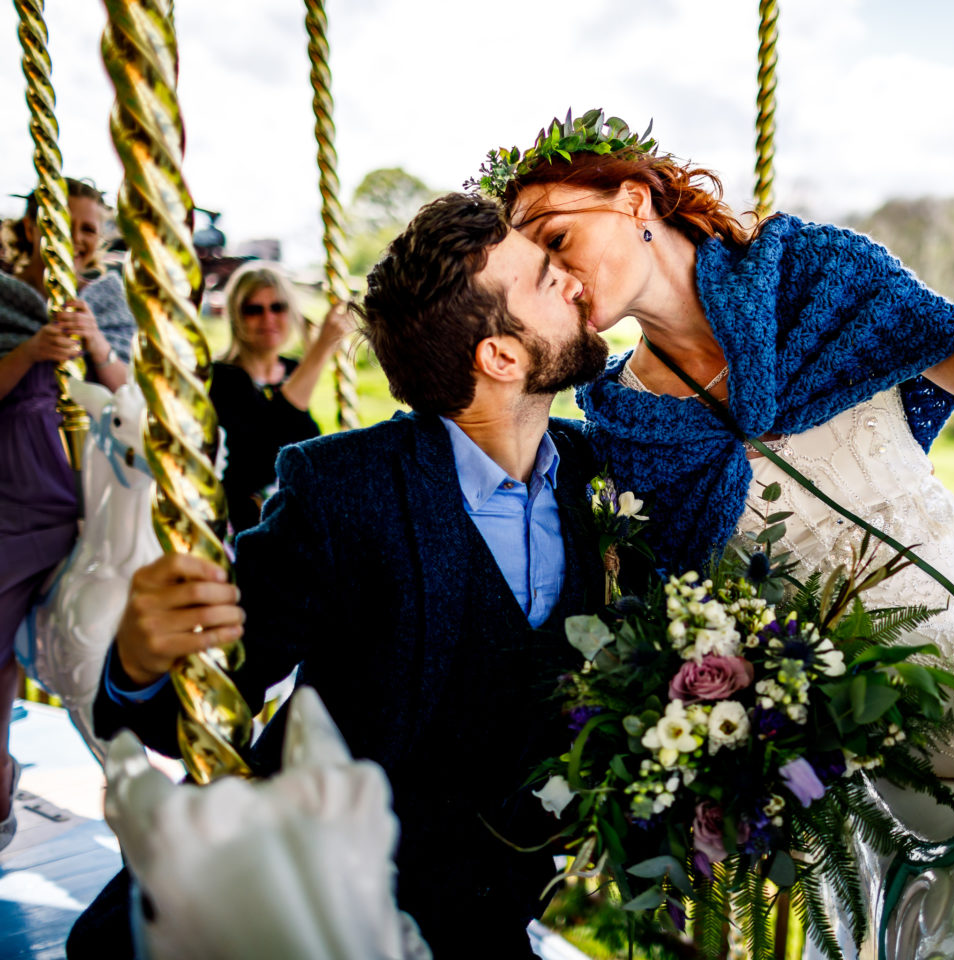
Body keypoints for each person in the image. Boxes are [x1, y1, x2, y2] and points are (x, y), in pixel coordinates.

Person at [67, 192, 613, 958]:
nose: (572, 281)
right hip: (319, 890)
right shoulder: (344, 491)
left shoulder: (604, 478)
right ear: (500, 355)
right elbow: (210, 694)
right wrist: (137, 662)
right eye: (542, 279)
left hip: (487, 902)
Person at [487, 111, 954, 788]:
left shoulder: (816, 272)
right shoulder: (626, 425)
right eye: (538, 269)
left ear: (634, 199)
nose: (560, 276)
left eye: (559, 237)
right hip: (862, 716)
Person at [0, 179, 134, 851]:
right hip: (13, 490)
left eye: (89, 229)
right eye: (67, 225)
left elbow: (128, 390)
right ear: (32, 227)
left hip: (87, 490)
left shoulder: (104, 301)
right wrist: (32, 351)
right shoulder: (3, 295)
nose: (80, 240)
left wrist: (95, 347)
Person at [211, 262, 351, 533]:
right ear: (235, 316)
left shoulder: (292, 370)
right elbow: (264, 450)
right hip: (244, 523)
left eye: (278, 307)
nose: (268, 319)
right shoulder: (221, 378)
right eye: (253, 310)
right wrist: (321, 350)